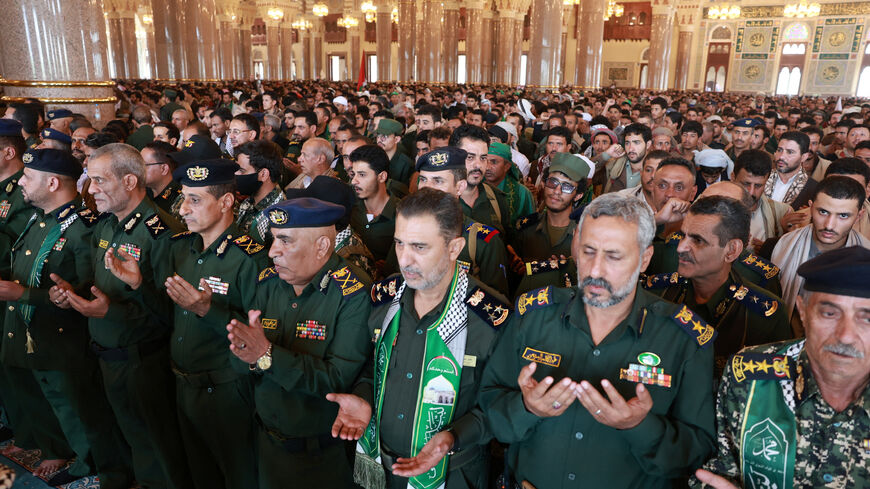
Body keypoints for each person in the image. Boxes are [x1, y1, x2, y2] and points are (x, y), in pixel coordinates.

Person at [479, 193, 715, 488]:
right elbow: (489, 407)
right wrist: (526, 409)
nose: (594, 270)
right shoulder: (533, 315)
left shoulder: (683, 339)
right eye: (588, 251)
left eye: (613, 256)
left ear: (644, 259)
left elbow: (697, 453)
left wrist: (639, 427)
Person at [330, 188, 509, 489]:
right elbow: (370, 367)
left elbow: (499, 403)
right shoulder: (383, 299)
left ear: (455, 248)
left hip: (451, 473)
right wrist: (363, 397)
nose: (405, 260)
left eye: (420, 247)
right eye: (399, 244)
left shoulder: (489, 318)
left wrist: (455, 436)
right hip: (380, 468)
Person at [108, 159, 266, 489]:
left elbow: (261, 335)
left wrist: (209, 311)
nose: (183, 209)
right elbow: (169, 316)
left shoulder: (249, 257)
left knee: (239, 474)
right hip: (182, 383)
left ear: (226, 202)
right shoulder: (182, 248)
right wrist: (140, 287)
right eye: (182, 198)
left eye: (195, 200)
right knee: (200, 473)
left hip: (227, 389)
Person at [55, 142, 193, 489]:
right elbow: (98, 282)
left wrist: (111, 310)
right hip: (107, 354)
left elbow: (172, 312)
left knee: (159, 449)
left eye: (101, 180)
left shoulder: (162, 231)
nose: (92, 188)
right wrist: (72, 293)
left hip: (143, 361)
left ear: (130, 182)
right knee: (132, 441)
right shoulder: (106, 225)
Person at [0, 149, 133, 487]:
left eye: (28, 178)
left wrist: (23, 295)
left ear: (53, 182)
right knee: (56, 401)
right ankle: (75, 453)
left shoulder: (83, 228)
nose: (22, 184)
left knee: (79, 407)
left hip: (65, 336)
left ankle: (94, 462)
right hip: (35, 330)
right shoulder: (40, 217)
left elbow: (89, 291)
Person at [692, 246, 870, 489]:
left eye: (867, 318)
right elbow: (719, 469)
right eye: (829, 313)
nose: (846, 336)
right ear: (802, 311)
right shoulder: (750, 373)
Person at [225, 197, 372, 488]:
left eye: (285, 241)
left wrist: (265, 355)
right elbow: (237, 359)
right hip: (267, 443)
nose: (273, 252)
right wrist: (251, 355)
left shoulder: (352, 294)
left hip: (320, 456)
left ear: (322, 247)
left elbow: (336, 380)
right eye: (273, 240)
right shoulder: (267, 283)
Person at [642, 195, 791, 376]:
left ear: (731, 250)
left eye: (697, 240)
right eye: (682, 236)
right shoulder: (659, 292)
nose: (681, 248)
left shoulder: (764, 315)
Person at [771, 176, 870, 332]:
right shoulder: (777, 247)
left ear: (859, 216)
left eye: (843, 215)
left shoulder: (867, 260)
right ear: (811, 207)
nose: (829, 225)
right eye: (823, 212)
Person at [512, 152, 590, 295]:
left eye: (566, 187)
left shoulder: (587, 235)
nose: (557, 191)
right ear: (543, 184)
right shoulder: (525, 228)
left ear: (578, 195)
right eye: (552, 182)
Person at [451, 125, 511, 235]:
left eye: (483, 158)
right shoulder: (439, 201)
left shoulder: (497, 199)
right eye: (470, 157)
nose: (478, 165)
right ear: (453, 157)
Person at [733, 150, 791, 251]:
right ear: (733, 177)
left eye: (758, 186)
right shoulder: (709, 205)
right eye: (746, 184)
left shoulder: (782, 212)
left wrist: (769, 250)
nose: (751, 192)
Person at [349, 144, 398, 263]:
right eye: (353, 174)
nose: (354, 181)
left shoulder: (402, 214)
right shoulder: (348, 204)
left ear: (382, 177)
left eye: (362, 175)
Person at [234, 140, 286, 245]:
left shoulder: (277, 216)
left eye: (242, 171)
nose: (236, 174)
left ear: (263, 174)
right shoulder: (248, 202)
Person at [484, 141, 534, 226]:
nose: (487, 167)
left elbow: (529, 228)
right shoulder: (474, 188)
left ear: (507, 166)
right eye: (484, 161)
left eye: (494, 162)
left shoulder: (521, 193)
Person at [765, 131, 818, 210]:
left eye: (790, 152)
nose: (782, 157)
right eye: (779, 150)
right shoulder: (763, 178)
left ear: (803, 157)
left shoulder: (813, 188)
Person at [602, 123, 652, 194]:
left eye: (636, 143)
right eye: (627, 143)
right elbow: (588, 173)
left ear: (648, 145)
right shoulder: (613, 164)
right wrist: (606, 154)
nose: (631, 149)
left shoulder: (656, 171)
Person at [141, 141, 185, 220]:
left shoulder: (179, 200)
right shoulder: (141, 192)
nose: (138, 169)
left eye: (144, 165)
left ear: (164, 169)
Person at [375, 118, 414, 186]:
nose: (379, 140)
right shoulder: (373, 157)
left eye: (384, 136)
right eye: (378, 135)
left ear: (396, 139)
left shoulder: (406, 165)